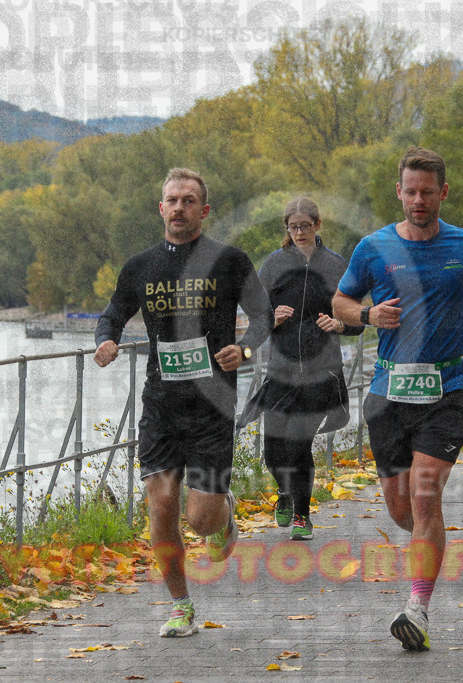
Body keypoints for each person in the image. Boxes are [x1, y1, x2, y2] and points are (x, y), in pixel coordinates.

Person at [332, 146, 463, 651]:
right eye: (410, 191)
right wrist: (366, 317)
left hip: (446, 389)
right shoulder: (373, 247)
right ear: (399, 192)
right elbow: (341, 301)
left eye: (428, 192)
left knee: (426, 495)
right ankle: (429, 545)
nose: (419, 200)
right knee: (401, 508)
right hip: (388, 394)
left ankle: (417, 608)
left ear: (443, 193)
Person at [94, 168, 273, 638]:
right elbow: (113, 312)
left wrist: (246, 350)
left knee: (200, 520)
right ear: (160, 208)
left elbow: (262, 317)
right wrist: (106, 340)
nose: (179, 208)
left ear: (204, 210)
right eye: (172, 200)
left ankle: (223, 513)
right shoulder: (140, 266)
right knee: (161, 504)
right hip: (161, 405)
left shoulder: (229, 260)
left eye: (189, 200)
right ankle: (180, 606)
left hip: (212, 406)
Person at [254, 197, 363, 540]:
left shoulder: (336, 265)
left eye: (305, 225)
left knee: (299, 443)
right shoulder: (273, 266)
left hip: (322, 373)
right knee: (273, 448)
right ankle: (285, 491)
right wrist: (270, 319)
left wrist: (340, 325)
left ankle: (302, 516)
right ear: (286, 229)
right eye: (292, 227)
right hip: (280, 371)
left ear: (318, 225)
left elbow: (358, 319)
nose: (299, 232)